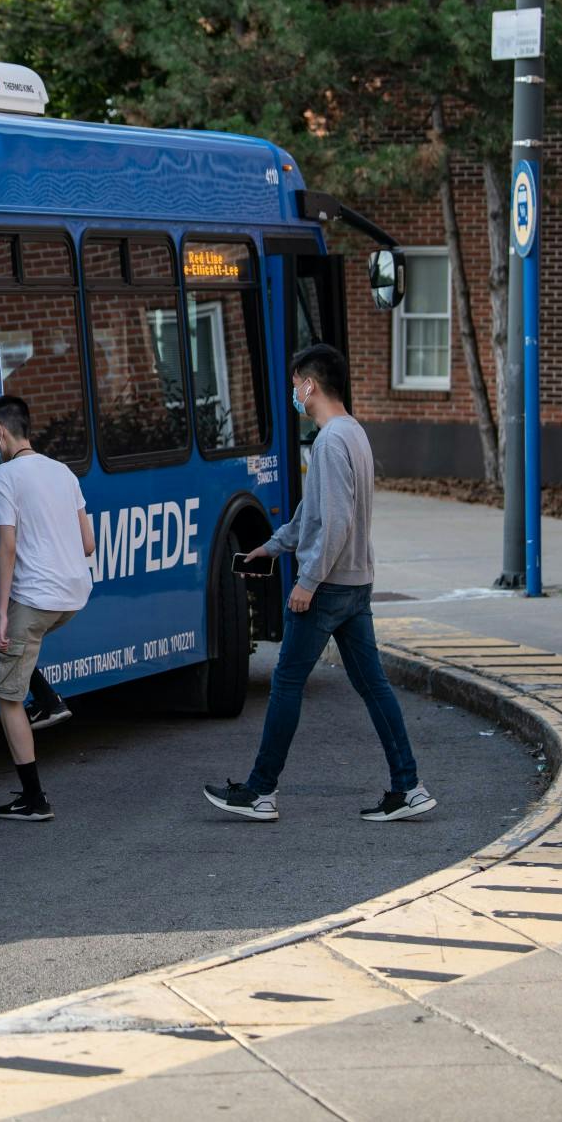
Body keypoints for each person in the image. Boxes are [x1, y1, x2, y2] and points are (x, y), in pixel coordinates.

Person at [204, 344, 435, 824]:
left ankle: (261, 791)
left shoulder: (329, 442)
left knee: (286, 684)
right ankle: (409, 787)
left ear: (310, 384)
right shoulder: (353, 434)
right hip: (356, 584)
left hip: (327, 587)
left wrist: (307, 581)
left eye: (295, 385)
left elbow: (335, 521)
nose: (294, 394)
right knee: (374, 687)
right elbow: (314, 513)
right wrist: (274, 545)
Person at [0, 395, 95, 821]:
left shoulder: (4, 477)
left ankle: (34, 799)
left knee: (6, 696)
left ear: (0, 433)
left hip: (35, 600)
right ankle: (46, 696)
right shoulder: (62, 472)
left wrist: (4, 611)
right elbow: (88, 543)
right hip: (73, 597)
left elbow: (6, 548)